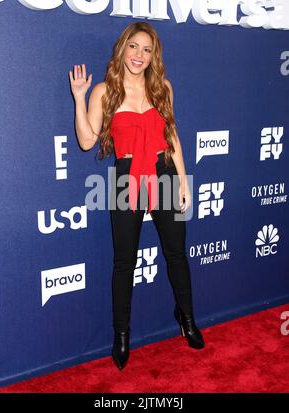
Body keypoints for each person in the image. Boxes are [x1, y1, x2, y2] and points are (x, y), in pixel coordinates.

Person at [69, 22, 205, 371]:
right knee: (124, 261)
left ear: (153, 56)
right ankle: (122, 334)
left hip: (164, 174)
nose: (139, 56)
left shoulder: (162, 88)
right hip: (126, 179)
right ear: (122, 48)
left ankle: (187, 317)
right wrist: (80, 96)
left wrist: (184, 181)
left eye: (146, 50)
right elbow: (86, 141)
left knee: (176, 252)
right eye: (134, 47)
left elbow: (172, 134)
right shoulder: (105, 90)